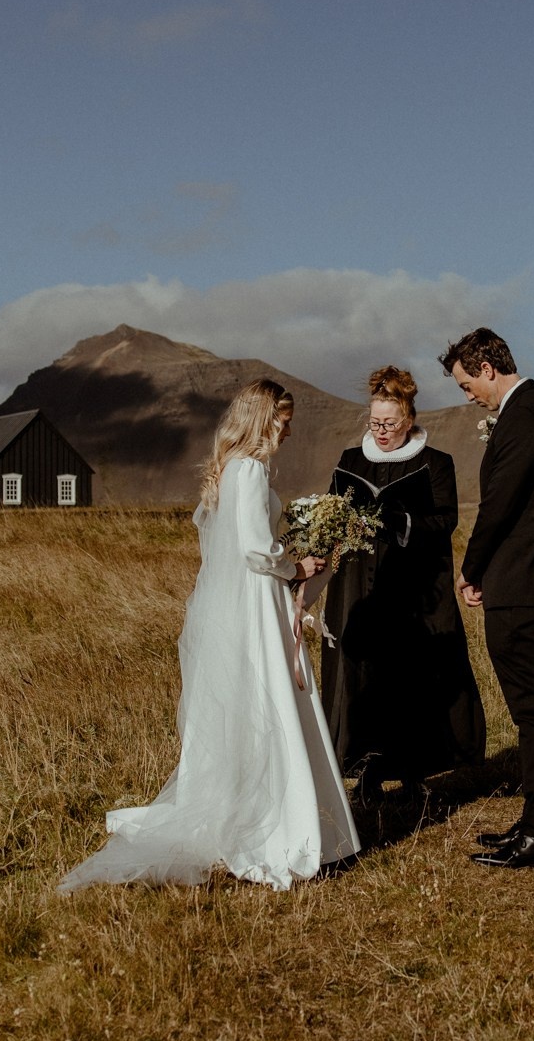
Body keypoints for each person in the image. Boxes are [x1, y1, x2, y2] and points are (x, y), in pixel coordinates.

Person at [59, 378, 360, 892]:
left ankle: (298, 818)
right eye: (283, 420)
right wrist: (297, 564)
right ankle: (278, 830)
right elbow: (253, 549)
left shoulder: (243, 468)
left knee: (268, 700)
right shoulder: (247, 469)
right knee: (269, 699)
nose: (288, 430)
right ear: (263, 418)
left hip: (255, 596)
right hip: (257, 599)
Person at [444, 327, 534, 869]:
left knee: (532, 709)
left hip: (526, 582)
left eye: (465, 385)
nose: (467, 397)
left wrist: (471, 567)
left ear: (487, 367)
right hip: (528, 579)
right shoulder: (531, 410)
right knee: (532, 707)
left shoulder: (525, 415)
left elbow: (500, 504)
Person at [319, 365, 487, 796]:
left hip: (415, 590)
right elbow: (332, 514)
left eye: (389, 424)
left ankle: (416, 771)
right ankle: (366, 770)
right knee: (364, 673)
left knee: (412, 676)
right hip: (359, 584)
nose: (381, 431)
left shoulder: (435, 463)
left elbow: (445, 520)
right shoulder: (351, 460)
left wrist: (398, 519)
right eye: (374, 423)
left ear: (409, 419)